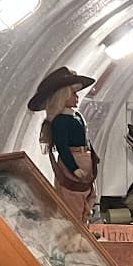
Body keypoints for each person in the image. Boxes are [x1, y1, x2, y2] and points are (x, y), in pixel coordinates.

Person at [28, 66, 99, 221]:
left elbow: (85, 138)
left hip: (85, 158)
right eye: (73, 94)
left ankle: (85, 222)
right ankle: (74, 234)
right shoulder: (60, 122)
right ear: (63, 96)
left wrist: (92, 157)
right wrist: (74, 168)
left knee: (88, 195)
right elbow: (62, 148)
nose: (77, 97)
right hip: (73, 161)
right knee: (72, 199)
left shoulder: (77, 116)